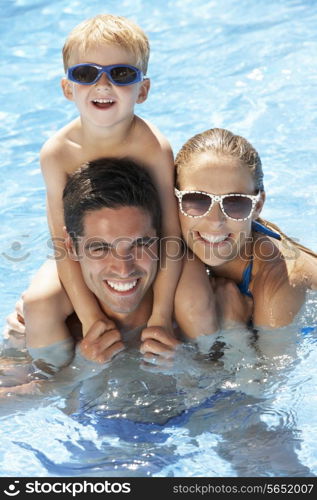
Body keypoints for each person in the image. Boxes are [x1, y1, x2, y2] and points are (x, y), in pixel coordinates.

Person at [22, 14, 181, 355]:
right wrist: (90, 316)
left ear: (143, 90)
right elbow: (62, 243)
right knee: (37, 303)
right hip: (82, 247)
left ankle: (204, 362)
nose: (103, 85)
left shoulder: (152, 146)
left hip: (152, 247)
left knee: (195, 294)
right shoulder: (57, 153)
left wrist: (162, 315)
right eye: (86, 74)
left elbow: (170, 231)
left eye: (121, 74)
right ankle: (50, 371)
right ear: (68, 88)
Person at [0, 157, 180, 398]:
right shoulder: (53, 322)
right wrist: (79, 370)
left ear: (160, 239)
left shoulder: (188, 307)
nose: (123, 269)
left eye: (140, 245)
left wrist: (187, 365)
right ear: (71, 247)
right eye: (100, 248)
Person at [174, 127, 317, 335]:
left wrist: (233, 328)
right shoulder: (166, 245)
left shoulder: (277, 283)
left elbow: (268, 368)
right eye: (196, 200)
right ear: (174, 199)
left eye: (235, 203)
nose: (215, 220)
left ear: (257, 206)